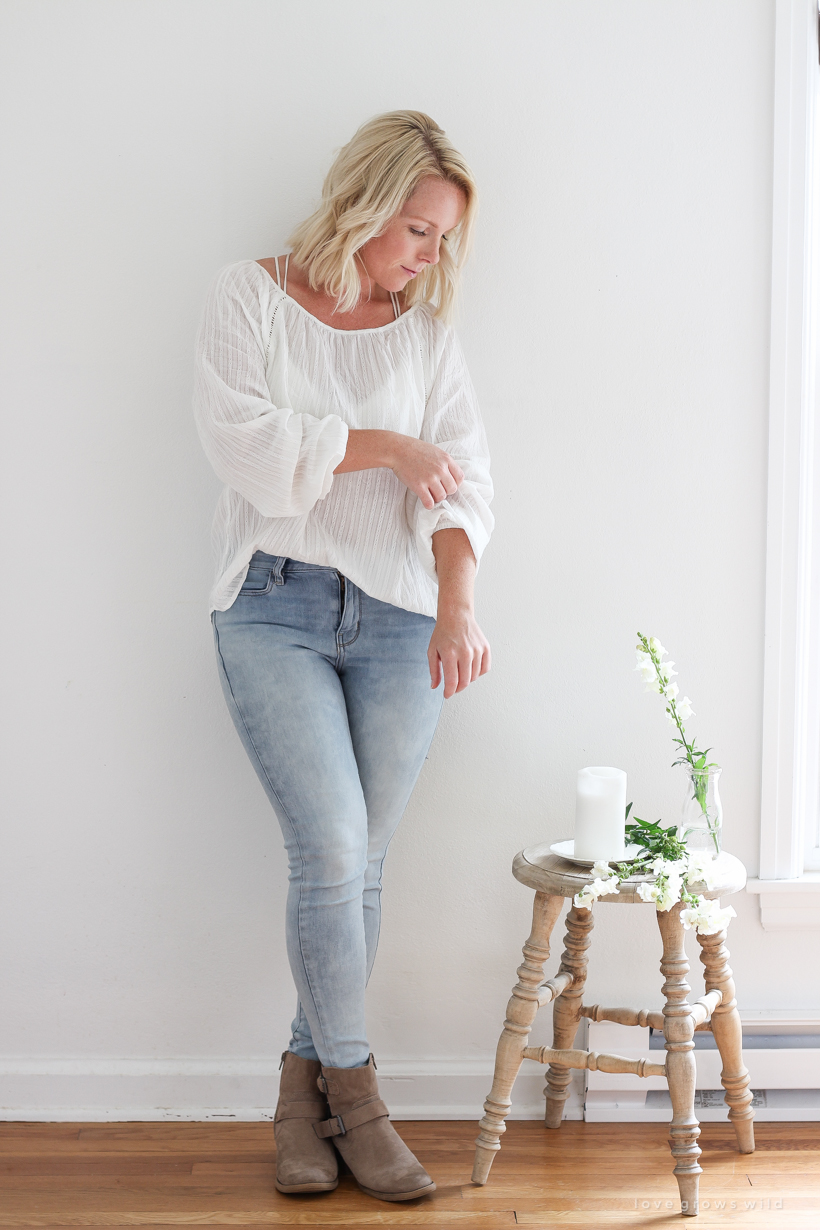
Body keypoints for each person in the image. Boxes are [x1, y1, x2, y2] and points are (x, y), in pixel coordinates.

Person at [193, 110, 493, 1203]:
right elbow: (244, 441)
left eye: (441, 238)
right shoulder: (248, 296)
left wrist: (458, 603)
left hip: (405, 620)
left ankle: (297, 1102)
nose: (426, 254)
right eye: (414, 227)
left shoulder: (422, 337)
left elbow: (465, 484)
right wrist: (389, 448)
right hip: (272, 607)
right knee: (329, 850)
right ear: (362, 202)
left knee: (357, 865)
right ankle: (358, 1102)